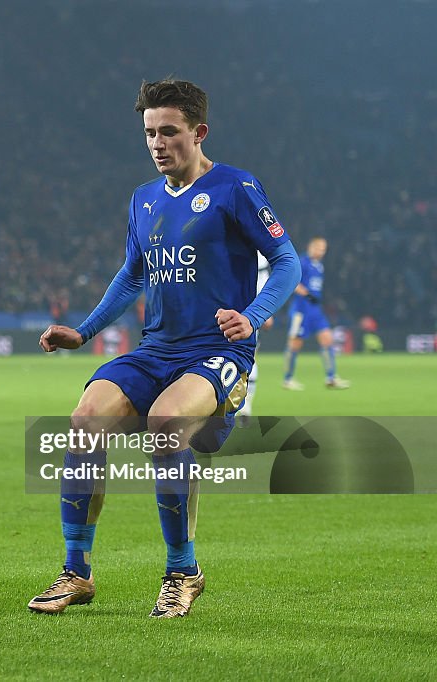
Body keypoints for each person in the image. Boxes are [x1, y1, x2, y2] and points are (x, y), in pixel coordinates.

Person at [27, 79, 300, 618]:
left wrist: (253, 316)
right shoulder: (143, 199)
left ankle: (182, 571)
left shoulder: (237, 189)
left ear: (199, 132)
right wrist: (82, 332)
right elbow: (132, 278)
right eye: (149, 133)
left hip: (215, 351)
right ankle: (76, 572)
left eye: (169, 132)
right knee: (85, 419)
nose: (157, 143)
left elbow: (288, 261)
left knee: (167, 421)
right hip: (157, 349)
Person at [282, 237, 351, 390]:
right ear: (311, 247)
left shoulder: (319, 265)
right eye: (319, 248)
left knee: (327, 339)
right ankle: (287, 379)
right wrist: (306, 294)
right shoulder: (303, 262)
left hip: (315, 310)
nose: (322, 251)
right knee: (294, 344)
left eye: (323, 248)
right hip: (301, 311)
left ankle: (331, 377)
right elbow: (291, 281)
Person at [235, 252, 274, 425]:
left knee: (247, 357)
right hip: (225, 307)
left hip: (247, 313)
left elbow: (264, 280)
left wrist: (265, 311)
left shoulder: (259, 258)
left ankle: (245, 407)